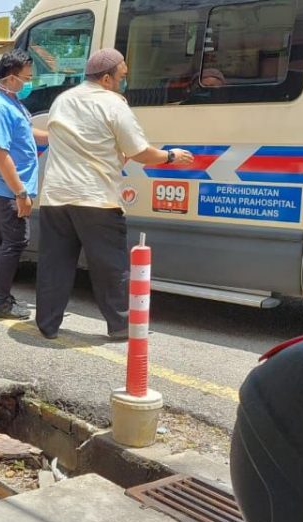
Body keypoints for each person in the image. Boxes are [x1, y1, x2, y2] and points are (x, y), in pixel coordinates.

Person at [35, 48, 194, 341]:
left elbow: (79, 145)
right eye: (121, 77)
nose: (123, 82)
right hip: (96, 198)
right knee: (109, 266)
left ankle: (47, 324)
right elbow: (141, 153)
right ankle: (120, 325)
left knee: (54, 264)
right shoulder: (112, 104)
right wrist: (171, 156)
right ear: (107, 78)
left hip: (55, 196)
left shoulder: (63, 100)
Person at [0, 49, 49, 320]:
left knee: (2, 240)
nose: (29, 81)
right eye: (26, 77)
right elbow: (0, 153)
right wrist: (20, 192)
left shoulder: (11, 100)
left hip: (6, 187)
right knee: (16, 241)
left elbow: (28, 132)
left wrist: (55, 136)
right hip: (7, 188)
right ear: (10, 77)